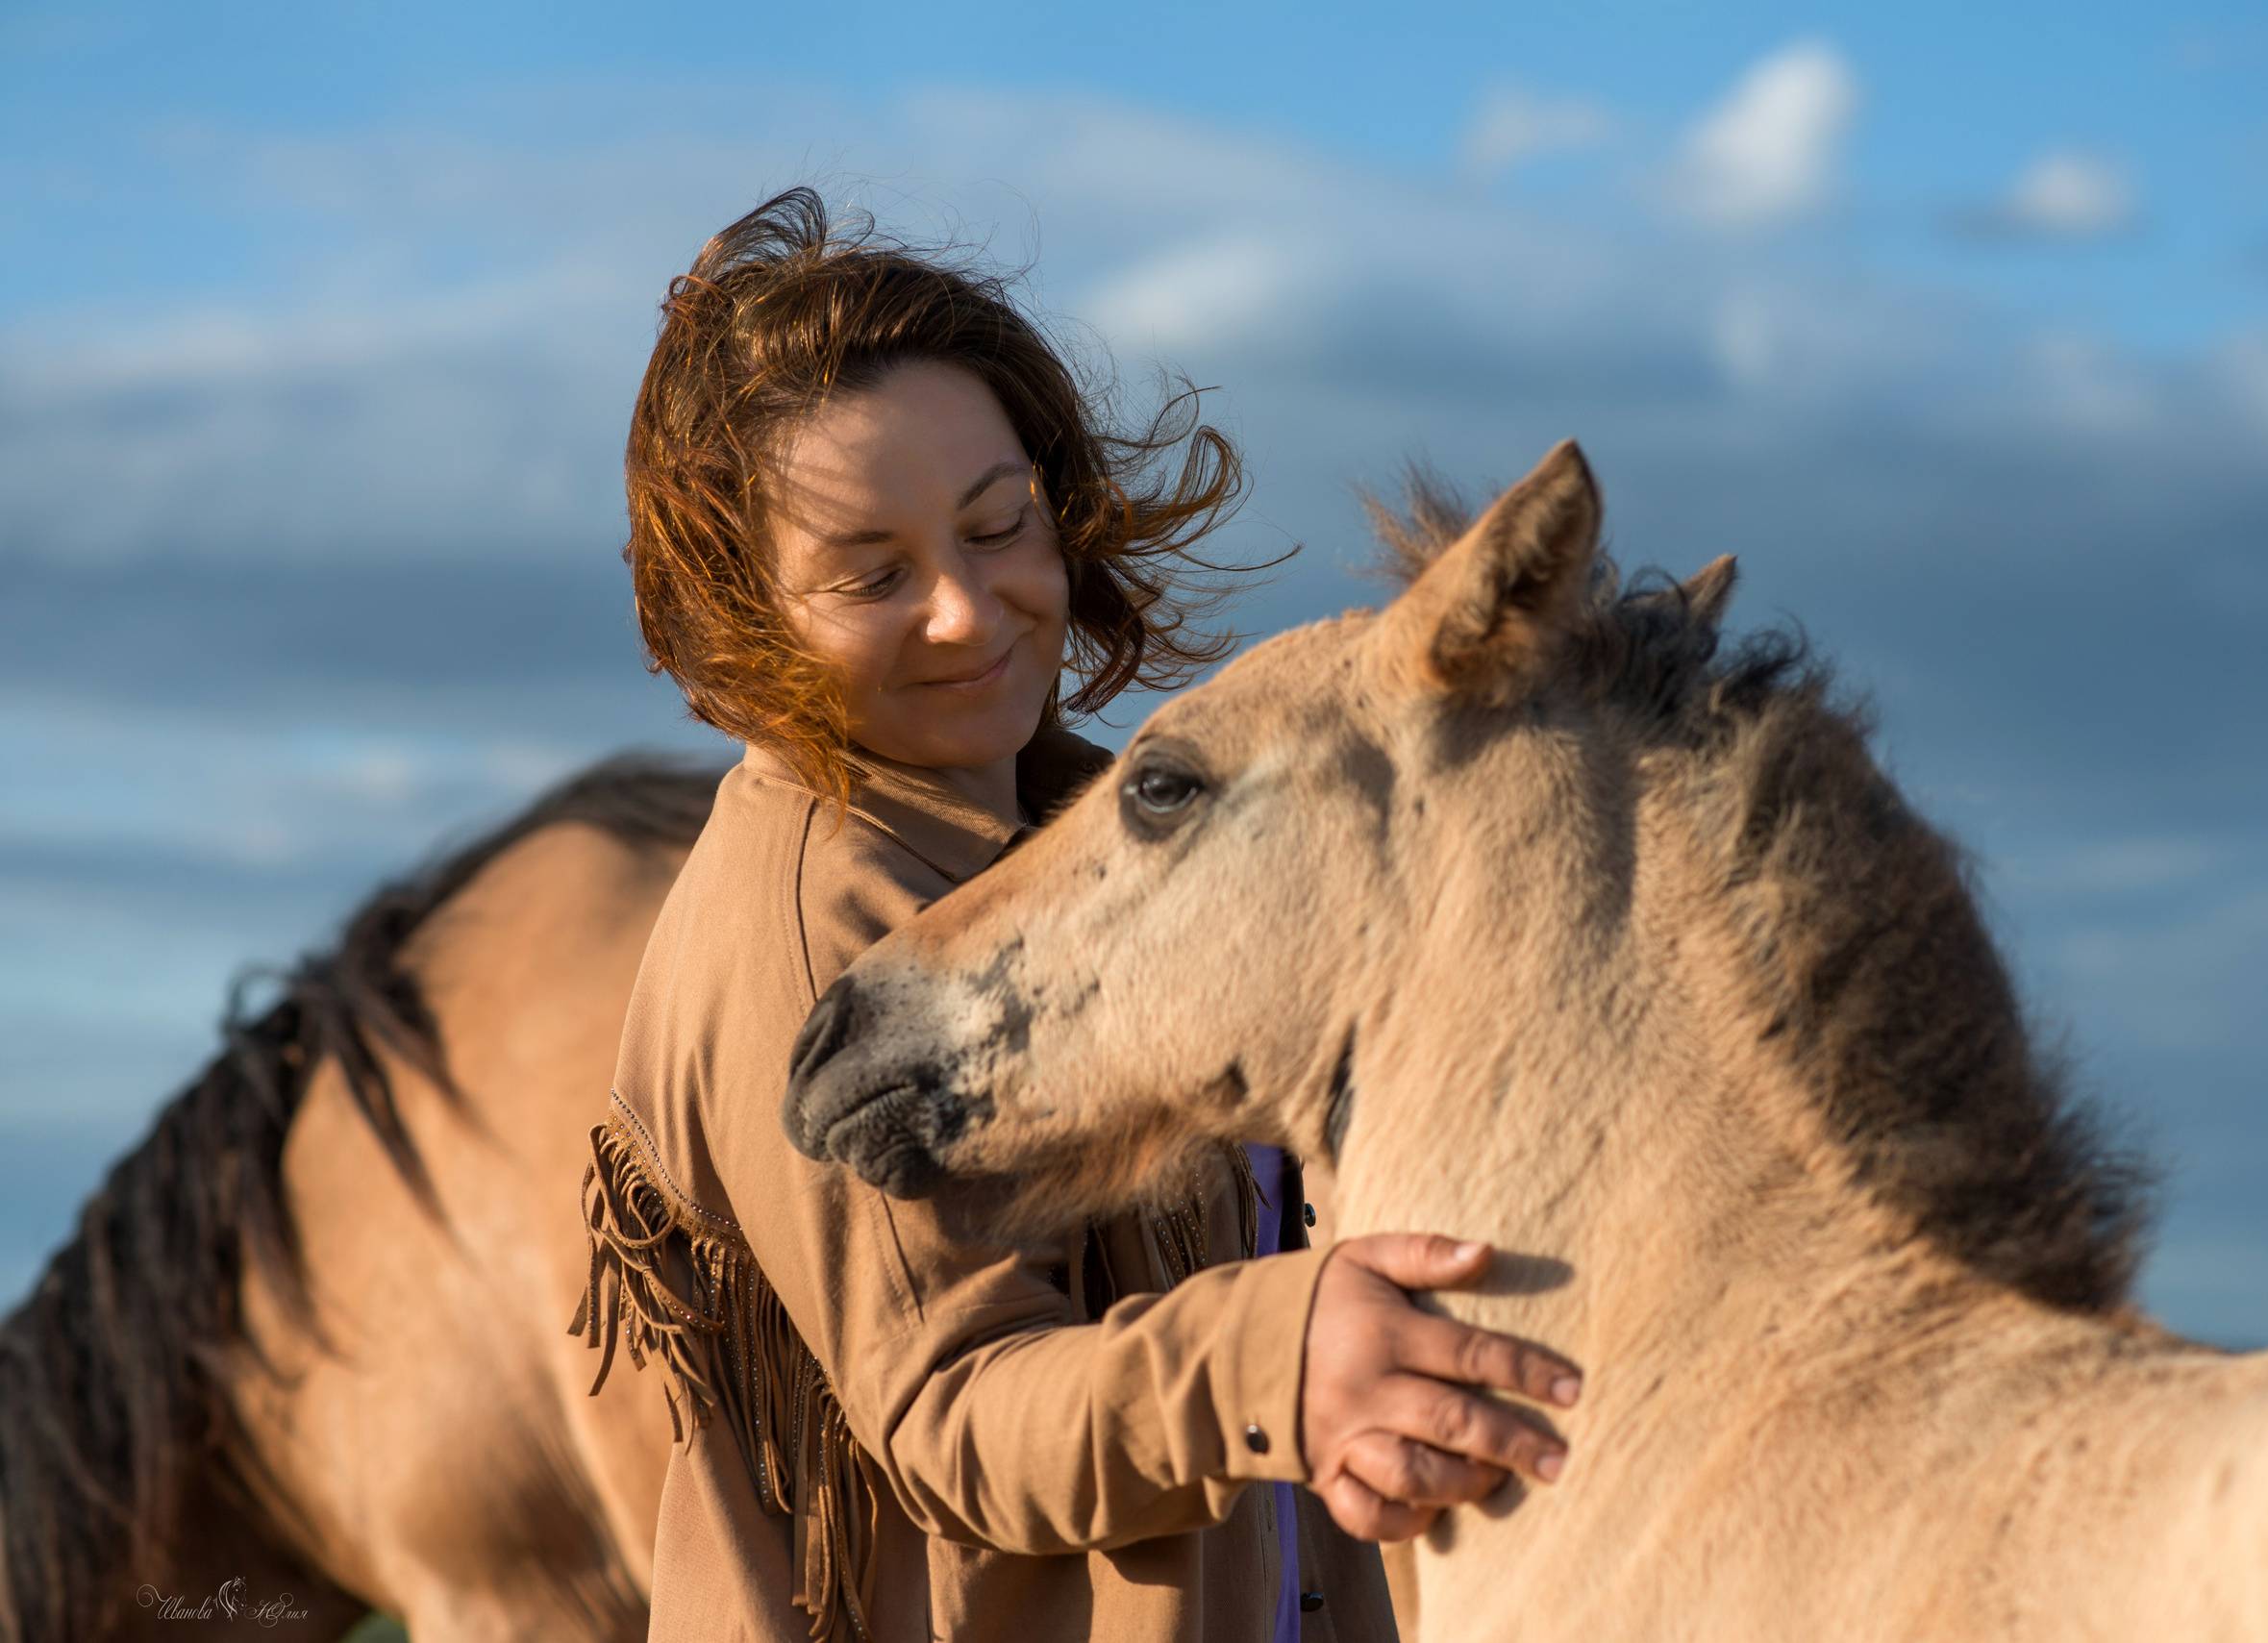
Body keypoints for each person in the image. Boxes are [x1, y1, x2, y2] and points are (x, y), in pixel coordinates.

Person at [570, 188, 1581, 1643]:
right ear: (743, 615)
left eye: (1000, 527)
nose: (968, 611)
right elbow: (957, 1408)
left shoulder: (1087, 834)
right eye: (873, 575)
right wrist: (1282, 1359)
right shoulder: (818, 920)